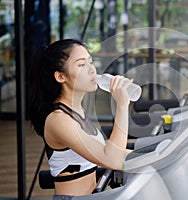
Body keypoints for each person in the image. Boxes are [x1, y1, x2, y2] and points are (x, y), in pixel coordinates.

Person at [29, 39, 132, 199]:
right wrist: (122, 106)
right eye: (81, 64)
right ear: (60, 76)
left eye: (90, 62)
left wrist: (159, 155)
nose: (92, 70)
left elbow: (105, 150)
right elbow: (112, 159)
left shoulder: (77, 110)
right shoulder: (58, 120)